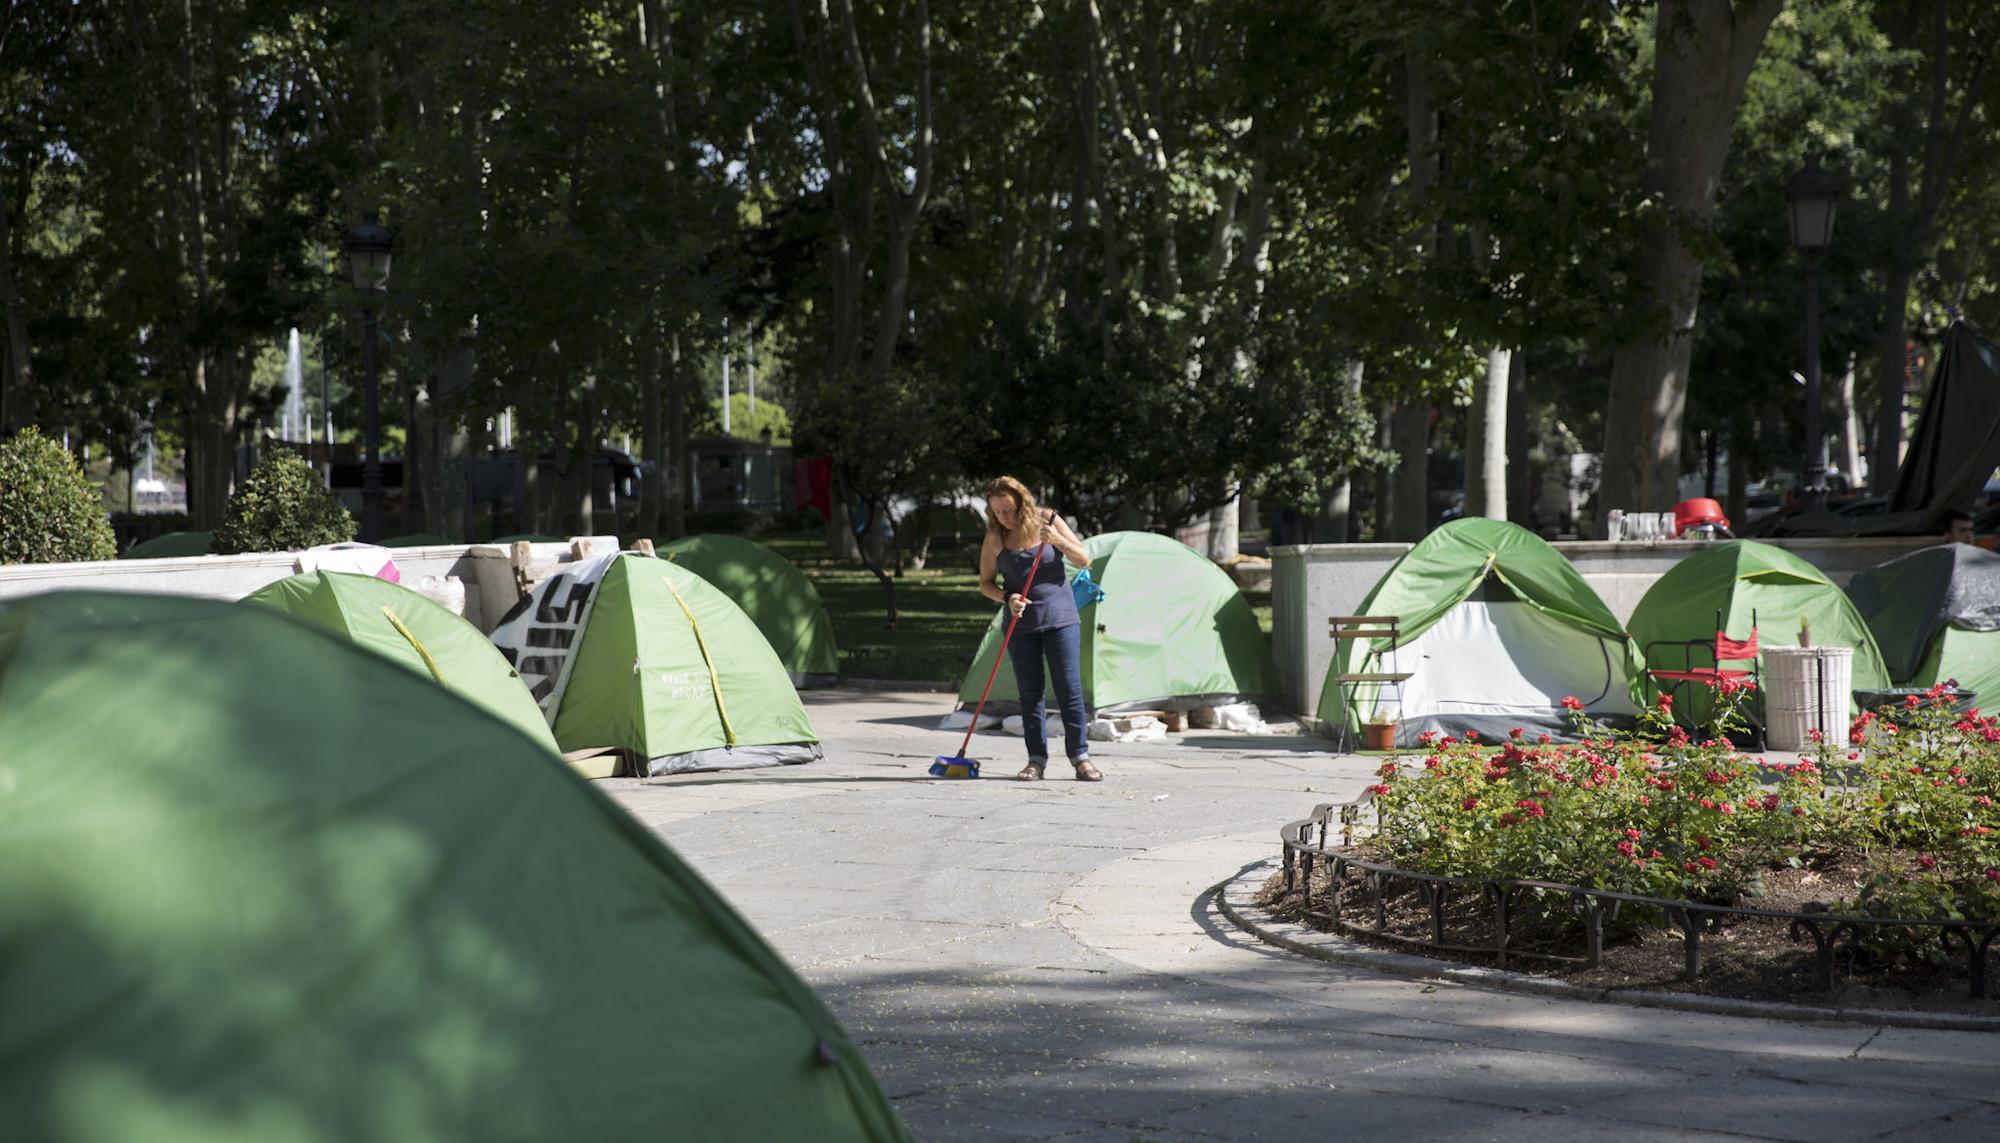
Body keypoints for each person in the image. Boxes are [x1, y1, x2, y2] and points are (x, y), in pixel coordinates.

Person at [978, 475, 1100, 781]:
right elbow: (986, 583)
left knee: (1069, 690)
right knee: (1030, 694)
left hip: (1060, 619)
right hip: (1020, 625)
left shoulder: (1048, 519)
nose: (1004, 518)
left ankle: (1080, 757)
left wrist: (1057, 541)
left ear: (1022, 502)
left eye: (1008, 510)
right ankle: (1036, 760)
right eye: (997, 512)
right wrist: (1008, 597)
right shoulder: (995, 538)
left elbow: (1085, 559)